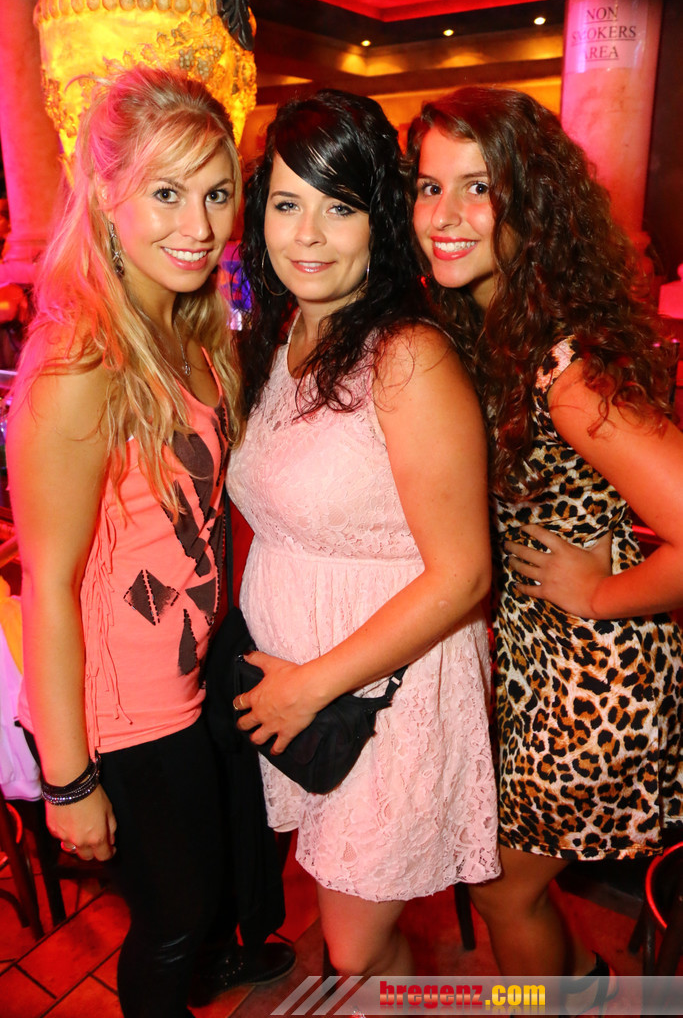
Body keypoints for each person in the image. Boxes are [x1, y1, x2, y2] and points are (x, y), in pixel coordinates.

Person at [6, 65, 292, 1018]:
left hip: (190, 670)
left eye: (216, 193)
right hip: (125, 711)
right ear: (105, 197)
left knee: (207, 888)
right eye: (166, 194)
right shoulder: (79, 361)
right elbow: (47, 585)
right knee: (174, 918)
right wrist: (68, 780)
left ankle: (211, 961)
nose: (199, 226)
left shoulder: (191, 327)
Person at [407, 85, 683, 980]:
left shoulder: (564, 369)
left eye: (476, 188)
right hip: (543, 664)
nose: (442, 216)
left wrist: (598, 591)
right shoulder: (493, 322)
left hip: (592, 680)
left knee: (500, 890)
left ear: (529, 202)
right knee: (504, 882)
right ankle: (587, 987)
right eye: (428, 187)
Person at [228, 88, 500, 977]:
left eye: (338, 208)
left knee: (351, 946)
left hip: (383, 694)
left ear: (377, 219)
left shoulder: (406, 355)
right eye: (286, 203)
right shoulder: (285, 336)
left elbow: (463, 575)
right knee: (351, 935)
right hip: (305, 691)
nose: (307, 235)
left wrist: (309, 688)